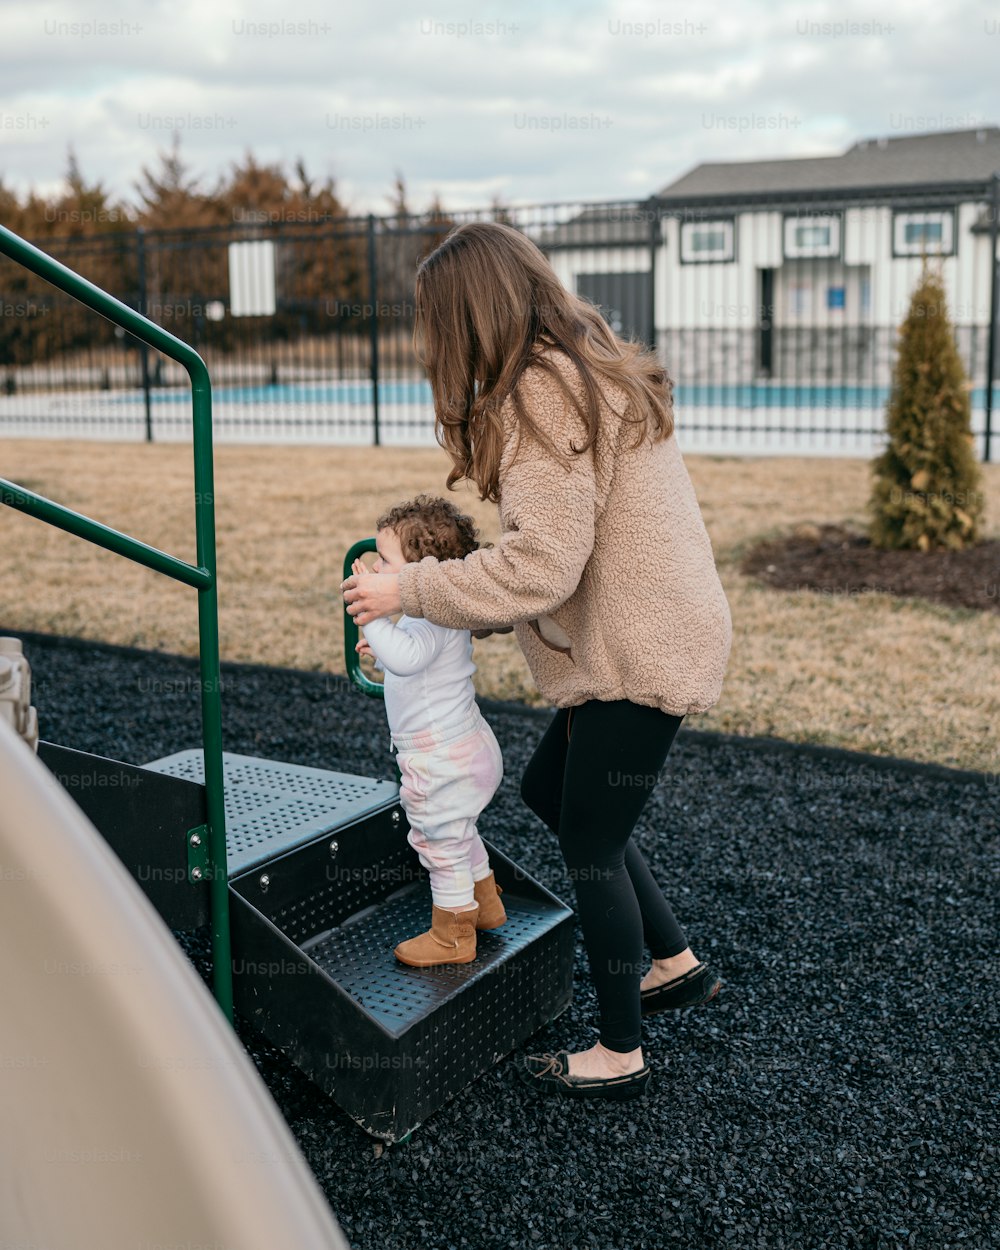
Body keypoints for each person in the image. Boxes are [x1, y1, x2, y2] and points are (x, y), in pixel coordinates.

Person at [341, 221, 733, 1102]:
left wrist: (414, 592)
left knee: (591, 835)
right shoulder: (585, 364)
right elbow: (561, 556)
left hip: (642, 645)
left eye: (436, 322)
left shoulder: (542, 391)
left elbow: (541, 563)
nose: (432, 342)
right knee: (552, 794)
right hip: (654, 626)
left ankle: (619, 1053)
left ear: (471, 317)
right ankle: (671, 963)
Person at [353, 494, 507, 968]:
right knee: (460, 832)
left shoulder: (432, 615)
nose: (376, 567)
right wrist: (382, 648)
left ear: (424, 571)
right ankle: (485, 905)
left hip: (439, 759)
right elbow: (417, 663)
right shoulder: (440, 613)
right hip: (468, 745)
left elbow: (409, 657)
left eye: (385, 560)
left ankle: (453, 934)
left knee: (437, 842)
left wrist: (374, 616)